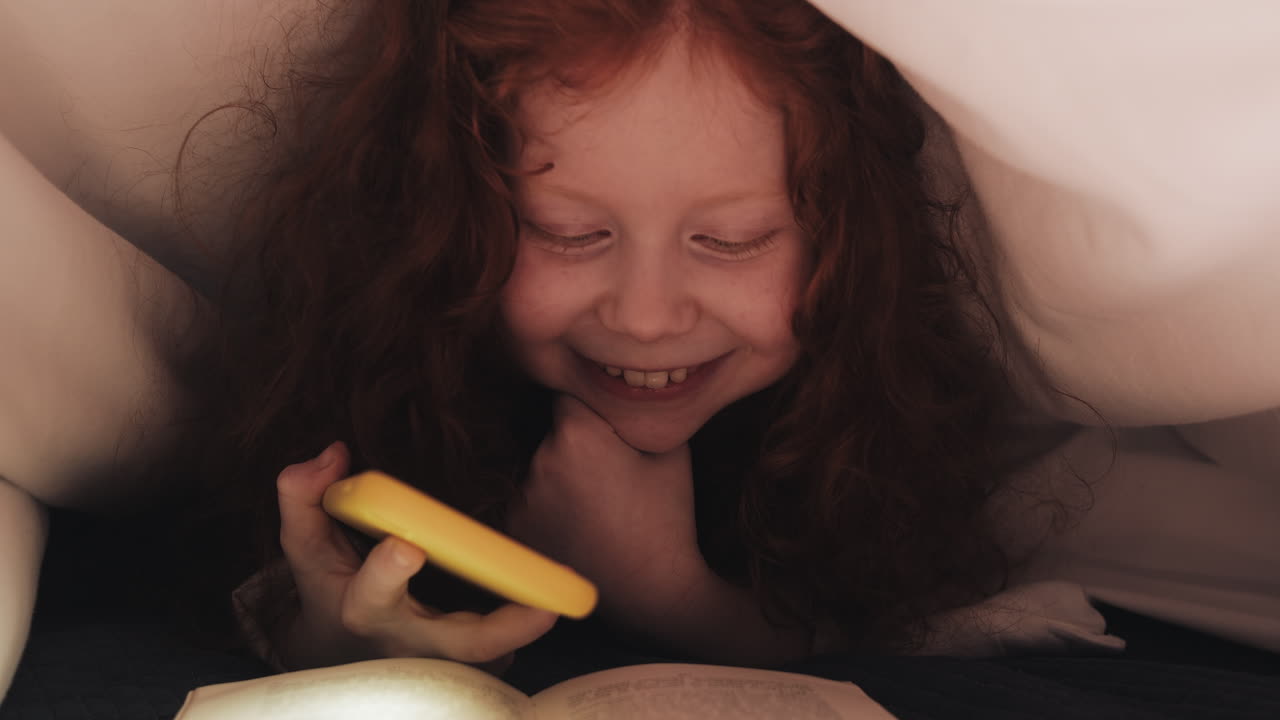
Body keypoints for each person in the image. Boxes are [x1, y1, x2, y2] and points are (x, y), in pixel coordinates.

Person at [3, 0, 1278, 695]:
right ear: (452, 224)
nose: (650, 315)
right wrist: (338, 640)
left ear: (846, 240)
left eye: (727, 240)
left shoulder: (884, 402)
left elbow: (890, 620)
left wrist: (667, 593)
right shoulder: (390, 369)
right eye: (566, 231)